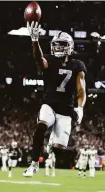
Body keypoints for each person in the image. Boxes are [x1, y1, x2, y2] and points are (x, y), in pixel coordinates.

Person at [23, 21, 87, 177]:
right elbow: (39, 59)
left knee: (59, 150)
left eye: (62, 45)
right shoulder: (50, 60)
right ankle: (34, 164)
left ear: (70, 46)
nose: (58, 48)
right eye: (56, 45)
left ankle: (52, 144)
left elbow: (81, 90)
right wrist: (35, 41)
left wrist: (80, 108)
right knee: (40, 127)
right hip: (49, 104)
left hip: (66, 109)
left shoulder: (77, 65)